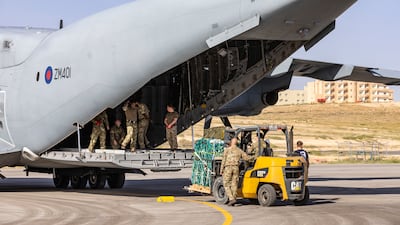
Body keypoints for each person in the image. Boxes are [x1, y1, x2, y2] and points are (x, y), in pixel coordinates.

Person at [220, 137, 251, 206]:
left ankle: (231, 199)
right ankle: (234, 198)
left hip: (228, 167)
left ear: (231, 142)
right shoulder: (239, 150)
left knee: (226, 183)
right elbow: (246, 158)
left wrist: (221, 170)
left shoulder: (227, 150)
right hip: (236, 168)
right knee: (234, 184)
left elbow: (223, 160)